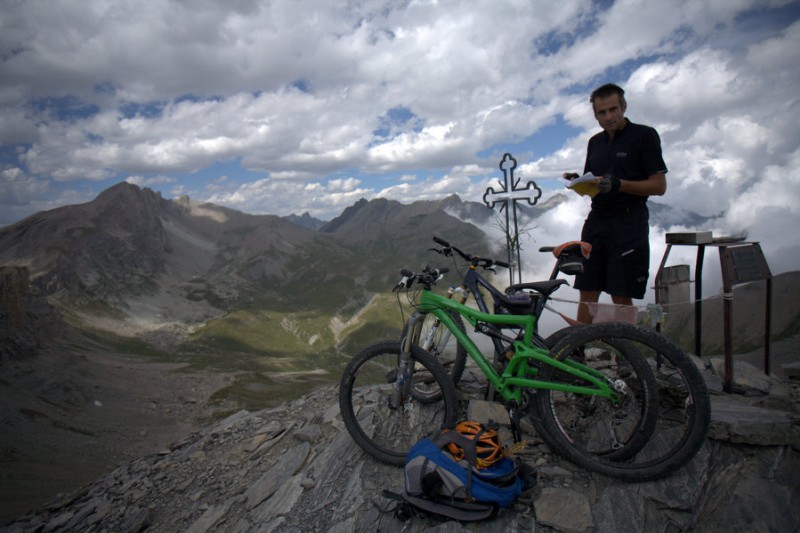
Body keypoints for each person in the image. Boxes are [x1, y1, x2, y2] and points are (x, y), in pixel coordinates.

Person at [563, 83, 667, 324]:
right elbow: (596, 184)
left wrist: (619, 184)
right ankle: (577, 351)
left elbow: (659, 186)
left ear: (624, 107)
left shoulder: (644, 136)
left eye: (613, 110)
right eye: (602, 112)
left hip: (629, 221)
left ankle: (625, 354)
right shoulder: (595, 142)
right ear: (595, 114)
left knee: (622, 291)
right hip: (597, 219)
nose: (608, 117)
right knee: (587, 289)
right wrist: (578, 181)